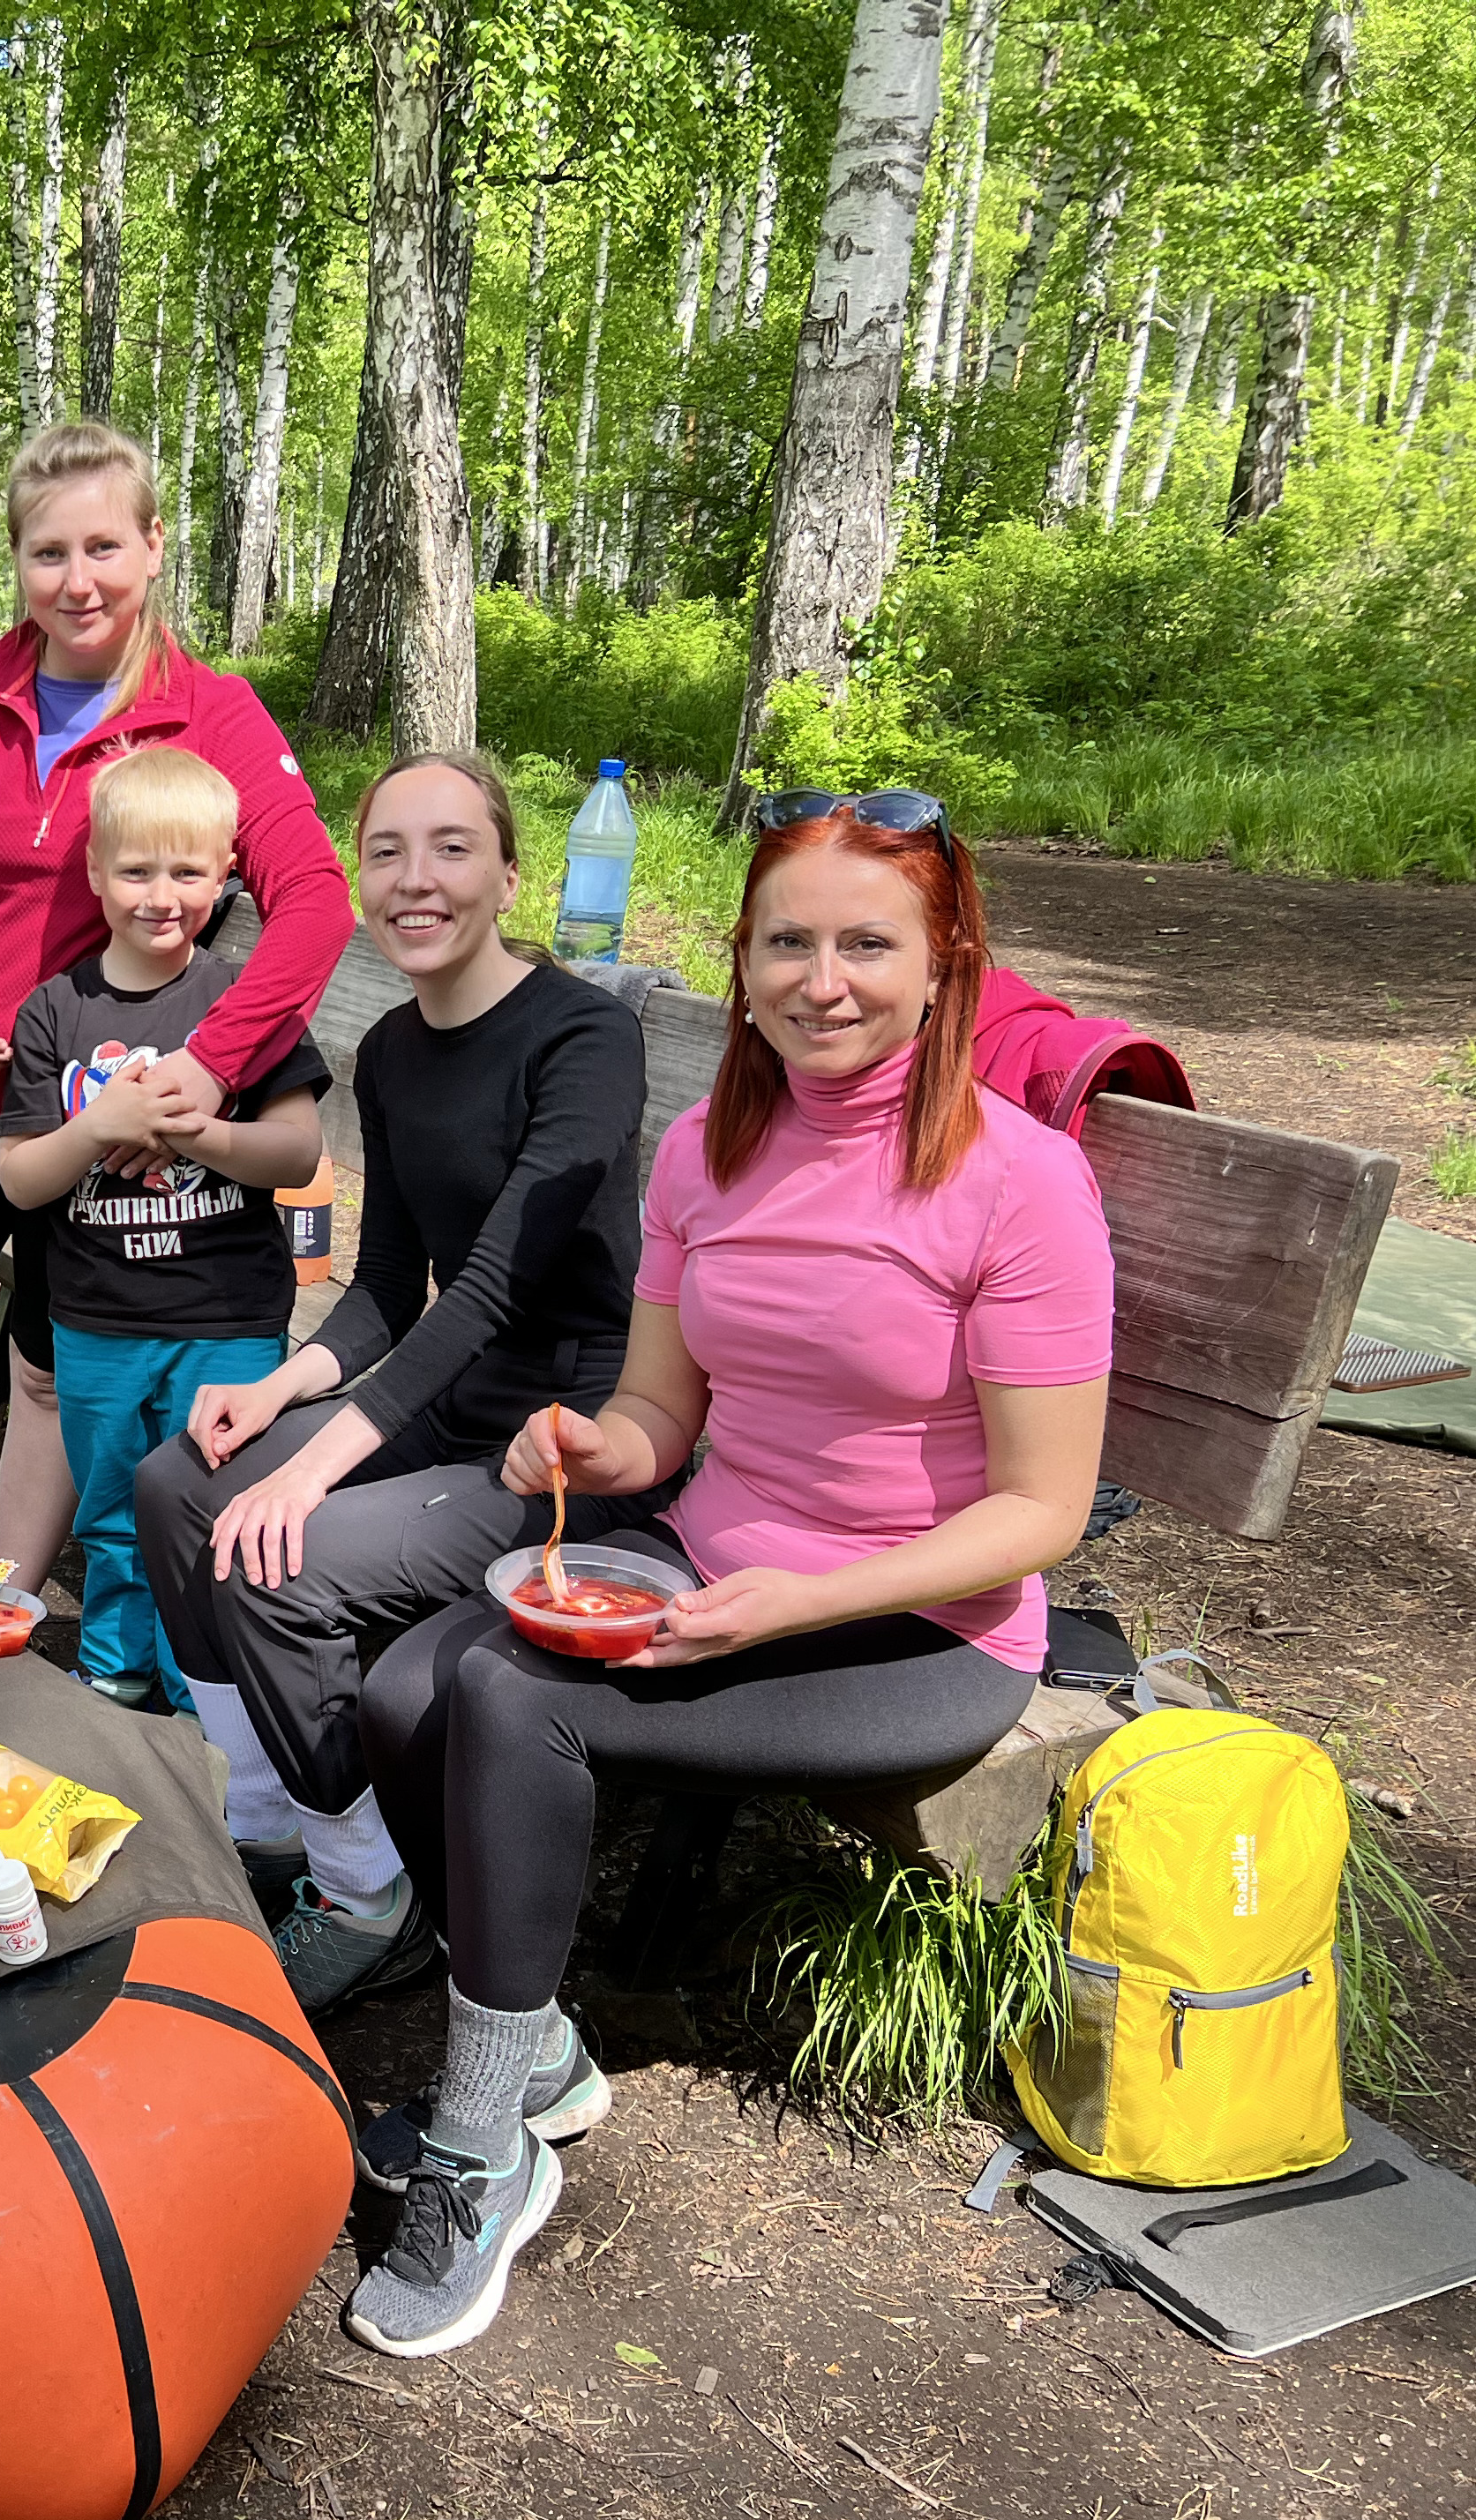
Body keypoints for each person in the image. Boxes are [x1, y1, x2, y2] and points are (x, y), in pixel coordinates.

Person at [339, 794, 1115, 2361]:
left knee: (511, 1696)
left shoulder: (1015, 1183)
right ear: (743, 957)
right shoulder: (710, 1149)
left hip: (915, 1625)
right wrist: (598, 1442)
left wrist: (794, 1597)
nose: (820, 979)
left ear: (944, 954)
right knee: (405, 1681)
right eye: (786, 941)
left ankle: (485, 2145)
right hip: (711, 1563)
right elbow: (665, 1409)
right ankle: (538, 2045)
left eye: (864, 943)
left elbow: (1042, 1508)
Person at [131, 753, 664, 2016]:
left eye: (452, 848)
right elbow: (387, 1286)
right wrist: (276, 1398)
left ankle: (374, 1898)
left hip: (567, 1434)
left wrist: (313, 1465)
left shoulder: (588, 1039)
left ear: (509, 872)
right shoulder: (391, 1051)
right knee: (175, 1485)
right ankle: (269, 1833)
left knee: (281, 1555)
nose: (415, 880)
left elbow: (491, 1287)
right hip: (445, 1397)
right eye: (387, 852)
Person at [0, 422, 350, 1580]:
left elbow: (315, 897)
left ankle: (2, 1614)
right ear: (15, 561)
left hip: (109, 1110)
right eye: (49, 553)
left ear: (155, 546)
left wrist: (214, 1061)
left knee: (45, 1372)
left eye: (105, 547)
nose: (79, 582)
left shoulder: (210, 711)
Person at [0, 746, 329, 1709]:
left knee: (207, 1509)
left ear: (226, 875)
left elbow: (297, 1152)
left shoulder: (239, 1003)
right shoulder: (55, 1010)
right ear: (97, 873)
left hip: (226, 1320)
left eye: (188, 872)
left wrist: (204, 1133)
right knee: (109, 1512)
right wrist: (96, 1128)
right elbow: (19, 1179)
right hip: (95, 1319)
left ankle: (206, 1695)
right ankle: (116, 1671)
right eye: (136, 871)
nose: (161, 895)